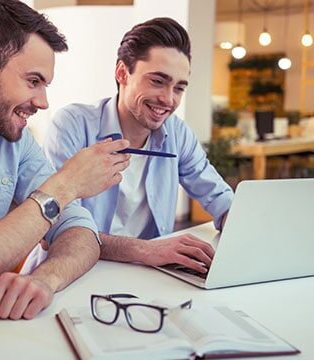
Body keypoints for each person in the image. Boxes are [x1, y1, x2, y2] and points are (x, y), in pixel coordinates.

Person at [0, 0, 130, 320]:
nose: (43, 102)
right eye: (33, 81)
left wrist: (44, 280)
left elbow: (79, 229)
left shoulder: (15, 142)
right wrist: (65, 185)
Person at [43, 17, 234, 276]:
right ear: (122, 73)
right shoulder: (73, 125)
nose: (168, 99)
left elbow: (220, 199)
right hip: (71, 272)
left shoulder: (177, 133)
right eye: (157, 81)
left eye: (179, 87)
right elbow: (59, 224)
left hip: (148, 275)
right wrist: (145, 250)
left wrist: (243, 223)